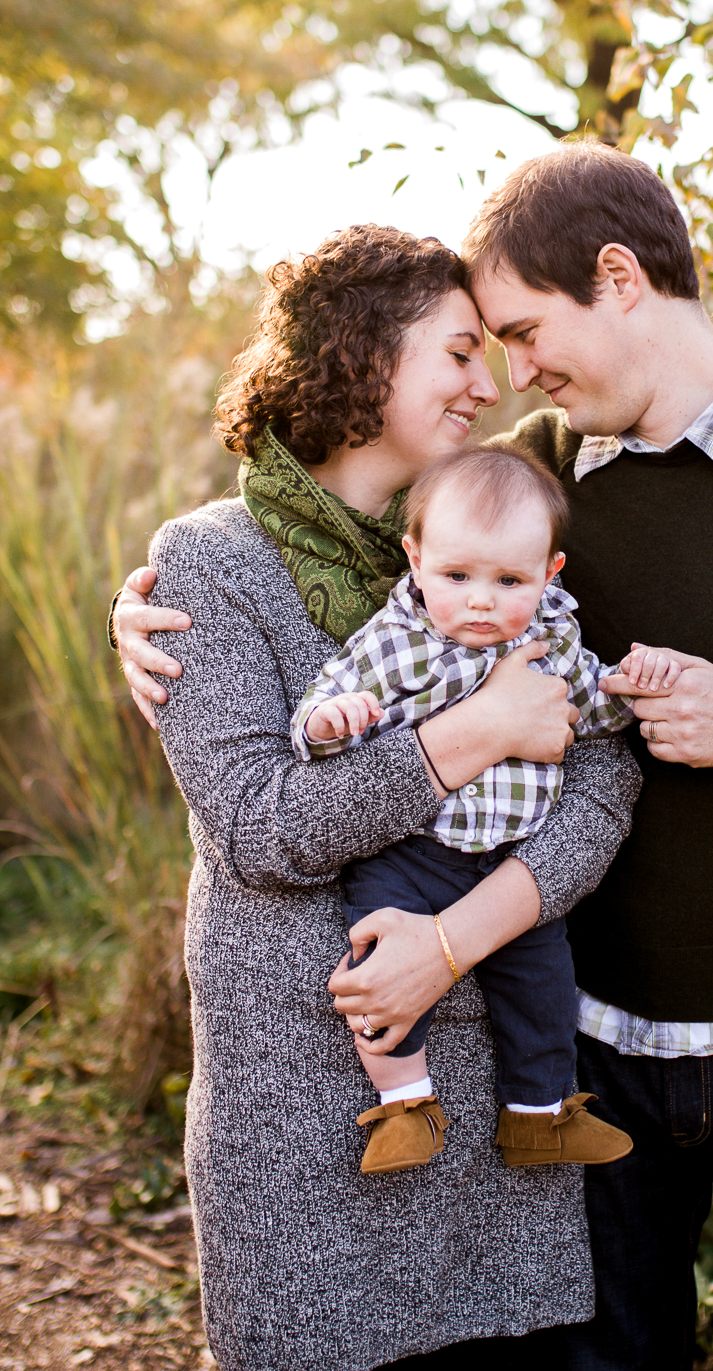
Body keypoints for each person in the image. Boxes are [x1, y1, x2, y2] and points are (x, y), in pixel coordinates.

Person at [116, 145, 713, 1371]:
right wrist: (141, 619)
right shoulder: (521, 484)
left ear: (617, 277)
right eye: (480, 344)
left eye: (523, 332)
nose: (507, 376)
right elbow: (311, 592)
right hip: (581, 1045)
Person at [115, 223, 642, 1371]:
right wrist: (474, 733)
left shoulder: (498, 535)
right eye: (456, 352)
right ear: (362, 355)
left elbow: (599, 776)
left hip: (502, 1082)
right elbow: (259, 827)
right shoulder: (210, 562)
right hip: (308, 1104)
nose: (484, 380)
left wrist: (462, 935)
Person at [293, 445, 678, 1175]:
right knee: (377, 968)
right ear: (414, 557)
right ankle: (404, 1105)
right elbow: (323, 700)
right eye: (456, 576)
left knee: (544, 991)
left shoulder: (555, 639)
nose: (479, 600)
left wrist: (634, 684)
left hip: (510, 860)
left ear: (549, 573)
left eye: (509, 581)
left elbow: (594, 711)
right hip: (413, 853)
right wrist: (331, 719)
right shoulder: (396, 641)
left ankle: (537, 1117)